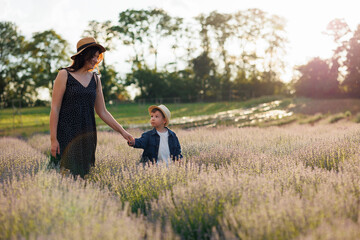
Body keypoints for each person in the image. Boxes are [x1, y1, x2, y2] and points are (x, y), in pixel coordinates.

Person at [50, 37, 134, 178]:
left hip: (87, 135)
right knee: (65, 176)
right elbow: (55, 109)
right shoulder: (64, 74)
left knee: (84, 177)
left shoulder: (95, 79)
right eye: (93, 56)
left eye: (97, 57)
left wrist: (123, 132)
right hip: (66, 134)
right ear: (83, 55)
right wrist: (53, 139)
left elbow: (103, 112)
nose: (96, 60)